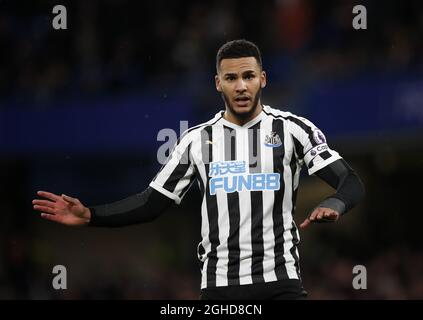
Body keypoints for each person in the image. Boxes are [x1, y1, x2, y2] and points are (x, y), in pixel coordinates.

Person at [32, 39, 365, 300]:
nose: (241, 86)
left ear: (262, 78)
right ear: (218, 83)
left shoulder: (294, 130)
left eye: (248, 76)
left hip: (282, 284)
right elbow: (152, 203)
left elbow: (350, 181)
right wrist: (90, 214)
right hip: (220, 288)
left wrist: (335, 203)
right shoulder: (196, 140)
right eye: (231, 78)